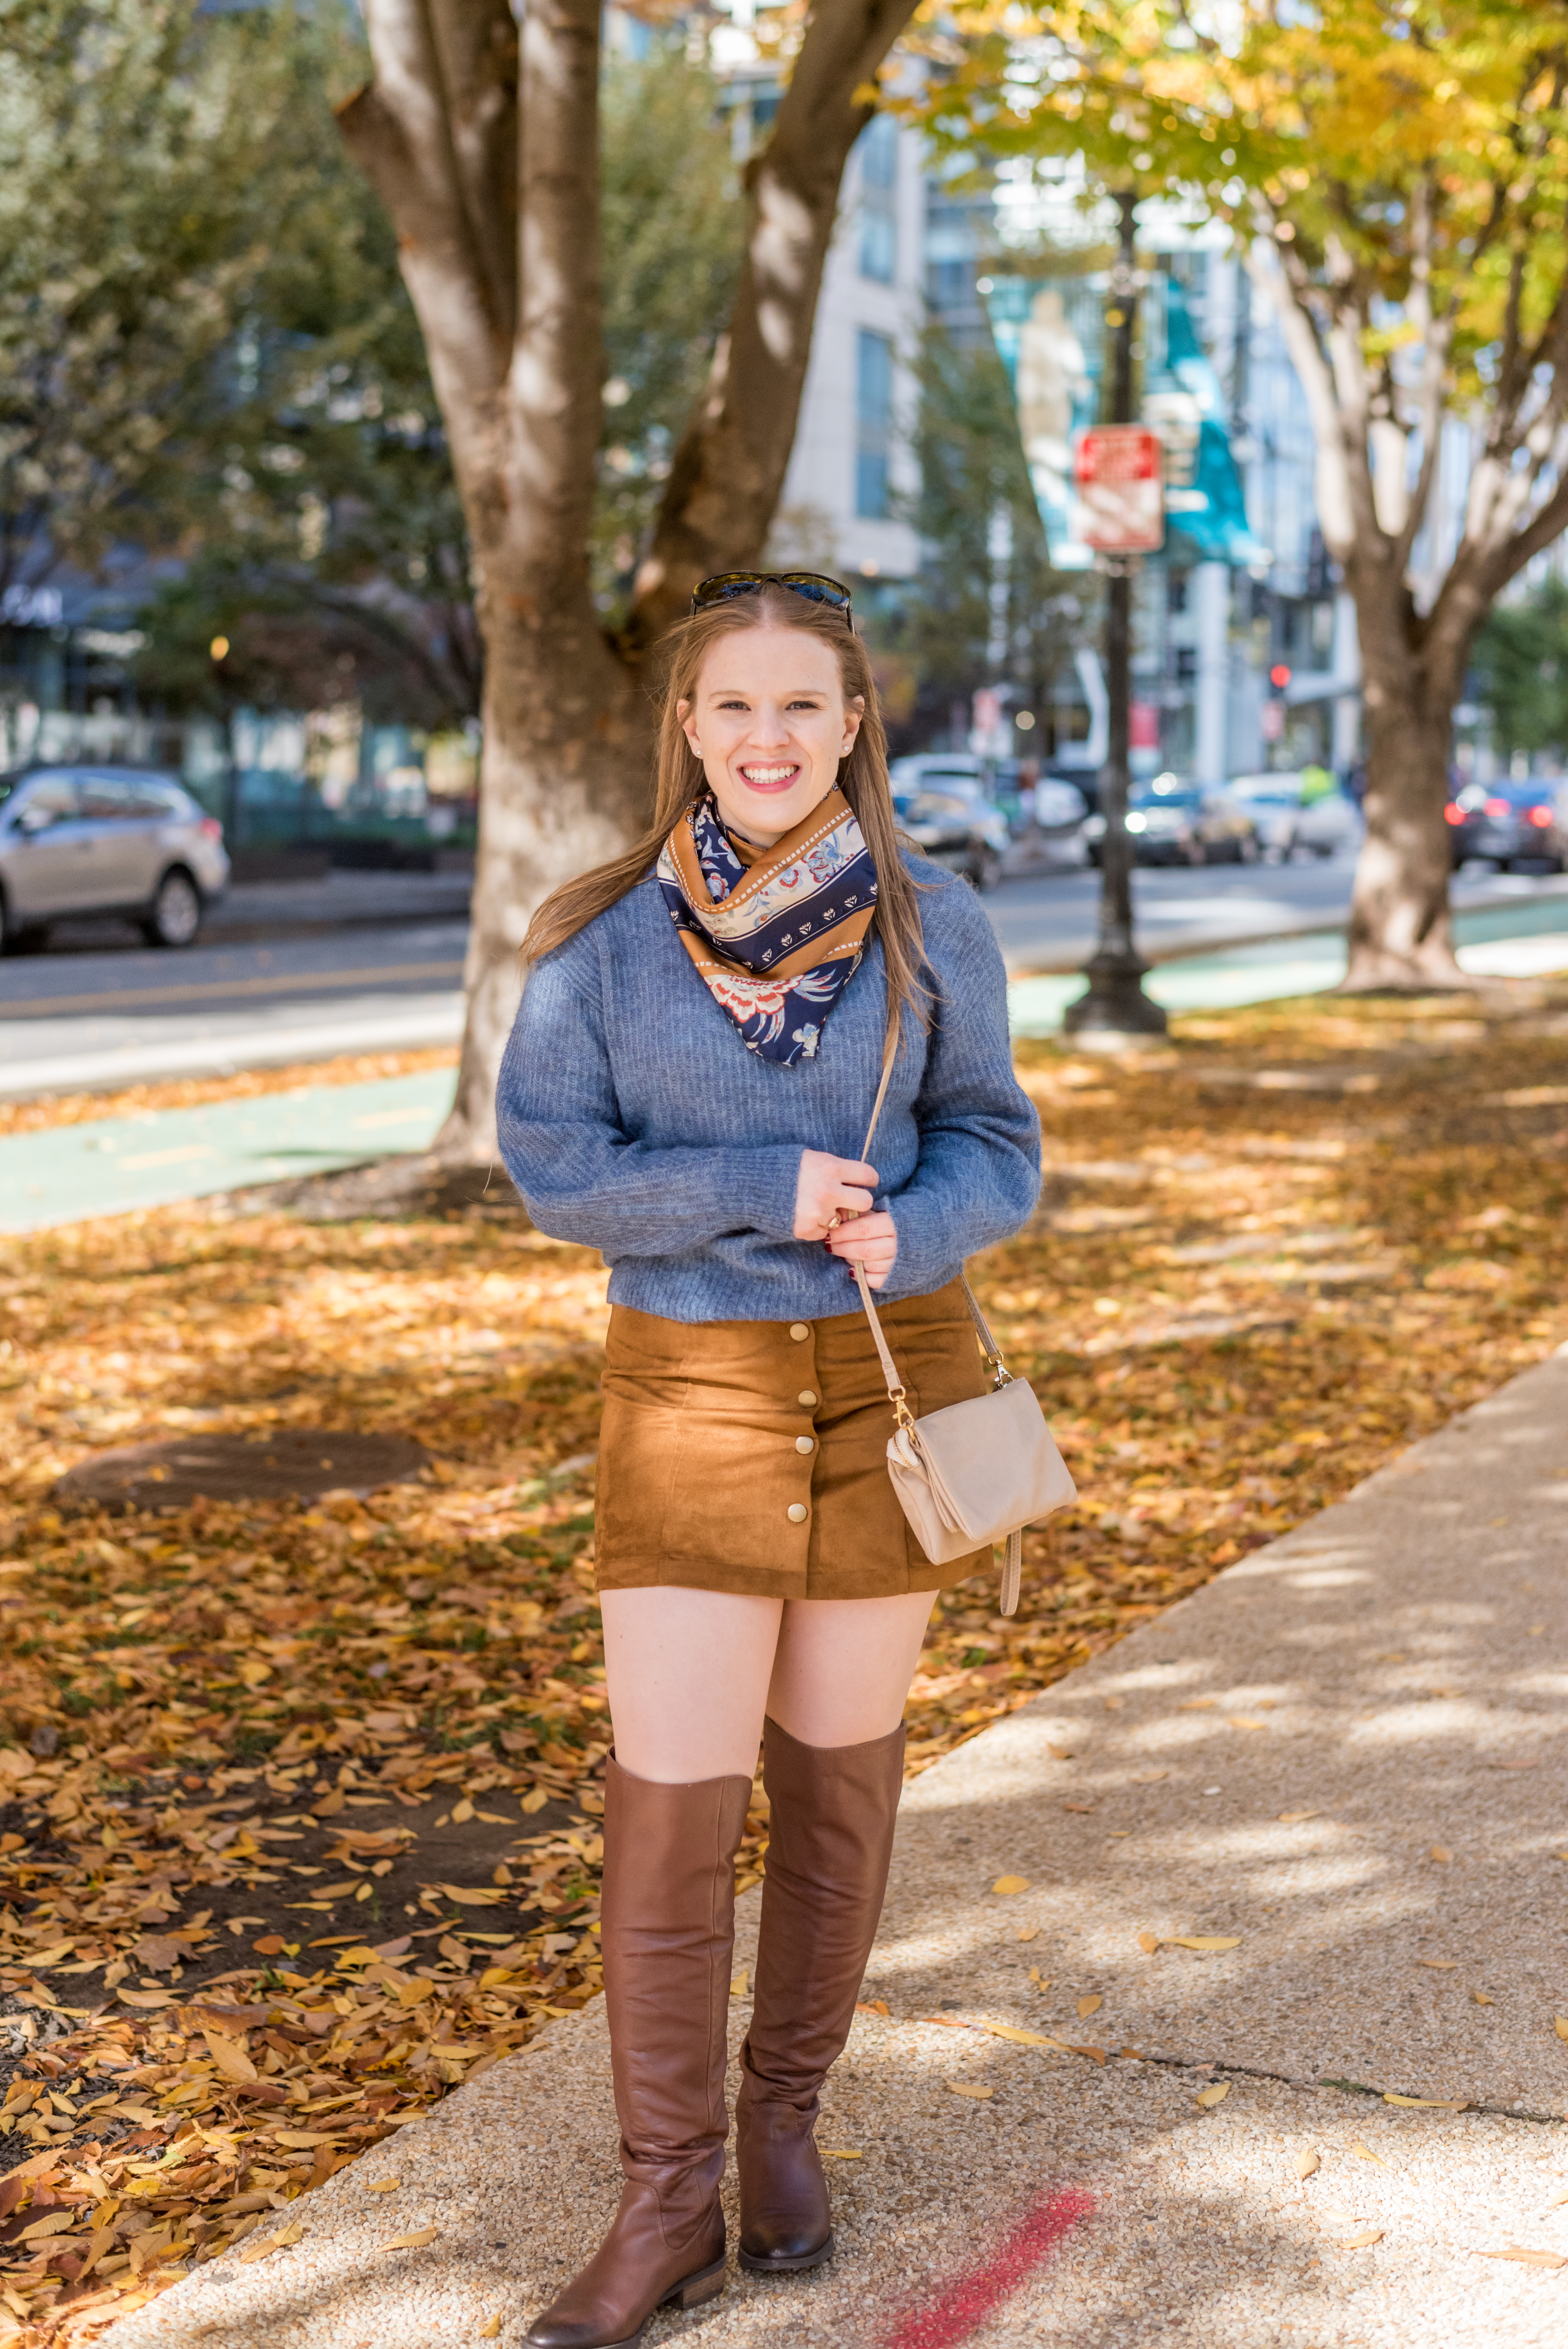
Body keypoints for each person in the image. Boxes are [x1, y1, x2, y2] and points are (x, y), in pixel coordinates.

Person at [497, 573, 1040, 2349]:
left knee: (837, 1785)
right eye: (734, 708)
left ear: (855, 723)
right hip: (691, 1394)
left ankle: (780, 2126)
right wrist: (763, 1187)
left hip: (891, 1388)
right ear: (687, 726)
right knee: (670, 1805)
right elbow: (556, 1171)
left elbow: (993, 1141)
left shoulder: (930, 920)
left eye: (803, 706)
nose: (768, 740)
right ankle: (665, 2201)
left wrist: (932, 1222)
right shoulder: (600, 941)